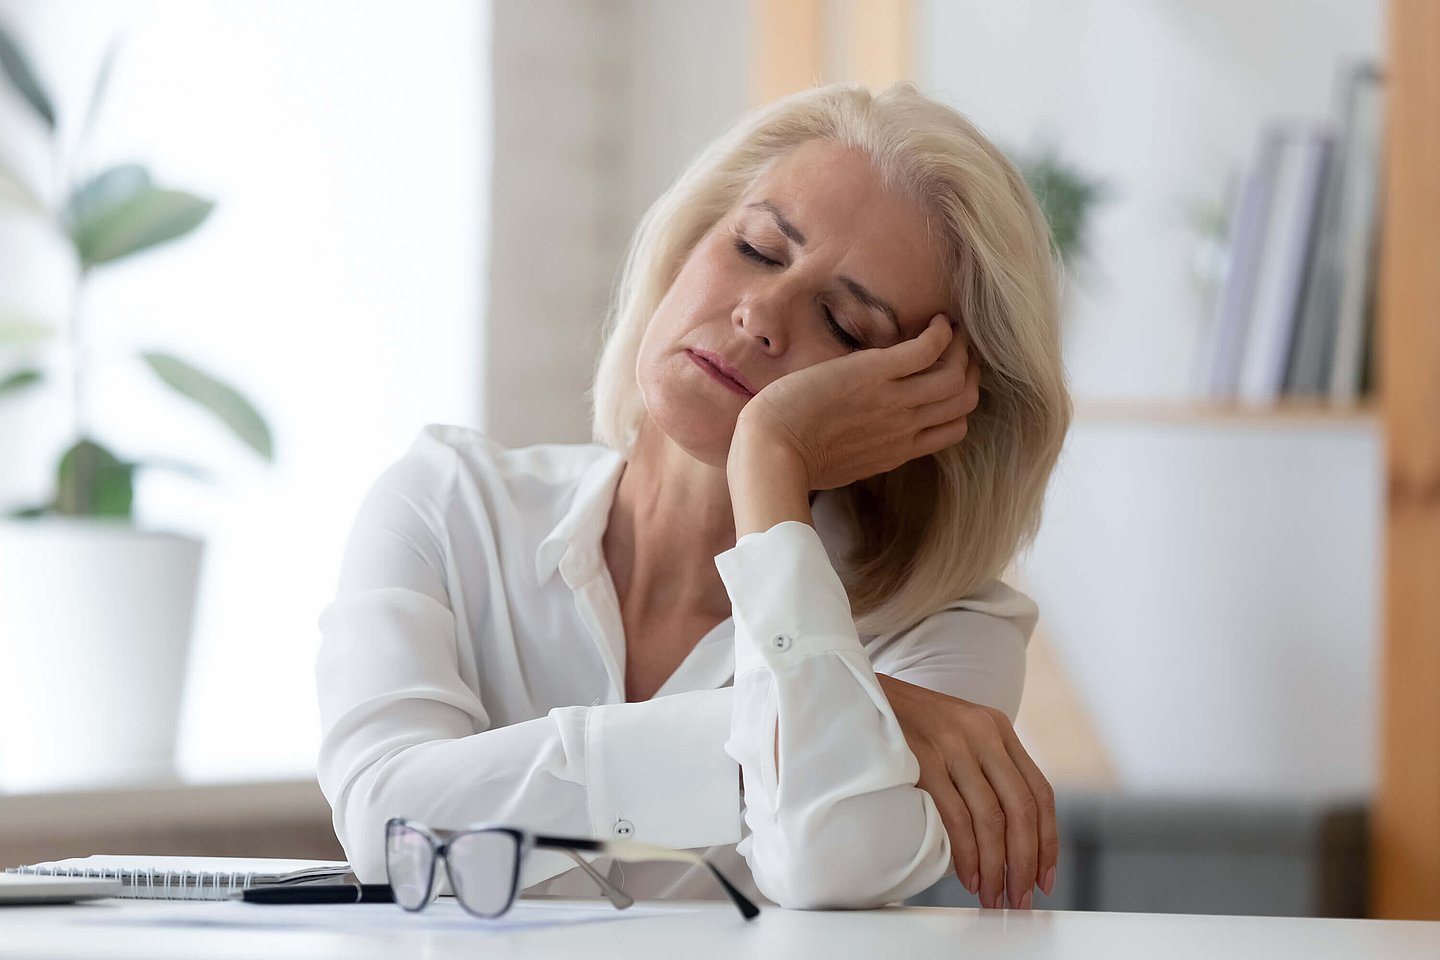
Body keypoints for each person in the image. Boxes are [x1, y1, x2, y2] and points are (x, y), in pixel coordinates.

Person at [316, 81, 1072, 912]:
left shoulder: (946, 633)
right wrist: (836, 718)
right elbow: (390, 827)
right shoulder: (449, 506)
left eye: (849, 327)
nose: (761, 314)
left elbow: (827, 861)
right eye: (755, 248)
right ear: (687, 241)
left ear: (929, 410)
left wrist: (771, 455)